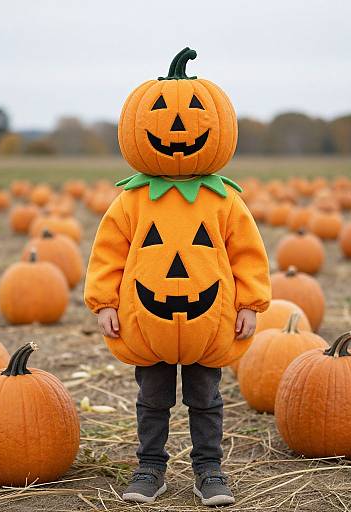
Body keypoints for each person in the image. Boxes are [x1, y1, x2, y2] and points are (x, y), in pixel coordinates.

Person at [84, 48, 271, 507]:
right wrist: (104, 301)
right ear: (137, 128)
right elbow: (108, 252)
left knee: (206, 399)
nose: (178, 128)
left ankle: (210, 470)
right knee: (152, 399)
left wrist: (250, 303)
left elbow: (248, 254)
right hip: (148, 322)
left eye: (192, 117)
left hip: (210, 321)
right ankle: (150, 468)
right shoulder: (132, 201)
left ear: (218, 127)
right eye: (163, 115)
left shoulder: (223, 201)